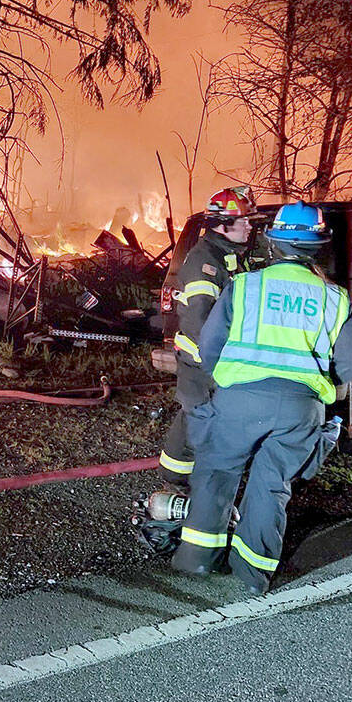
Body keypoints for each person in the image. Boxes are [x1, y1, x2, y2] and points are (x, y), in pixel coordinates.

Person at [171, 201, 352, 593]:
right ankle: (253, 573)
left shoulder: (245, 286)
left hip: (239, 400)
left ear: (273, 244)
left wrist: (226, 379)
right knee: (273, 484)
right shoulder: (336, 300)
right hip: (300, 409)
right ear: (318, 247)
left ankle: (196, 561)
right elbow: (347, 366)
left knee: (217, 472)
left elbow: (210, 346)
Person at [156, 186, 256, 487]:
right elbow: (201, 319)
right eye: (244, 221)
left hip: (214, 359)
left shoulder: (228, 256)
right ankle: (175, 481)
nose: (250, 226)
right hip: (203, 362)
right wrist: (221, 361)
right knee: (196, 420)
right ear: (223, 224)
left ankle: (195, 479)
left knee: (206, 421)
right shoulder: (205, 261)